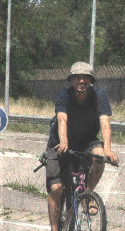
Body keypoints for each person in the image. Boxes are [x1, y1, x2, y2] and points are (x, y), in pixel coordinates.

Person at [46, 62, 119, 231]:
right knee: (56, 188)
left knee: (99, 156)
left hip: (87, 141)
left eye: (85, 77)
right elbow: (62, 119)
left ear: (90, 80)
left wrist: (108, 149)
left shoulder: (99, 95)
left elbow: (105, 122)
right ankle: (54, 228)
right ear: (71, 80)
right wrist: (64, 141)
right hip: (59, 143)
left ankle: (87, 195)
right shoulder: (63, 95)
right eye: (77, 77)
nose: (81, 81)